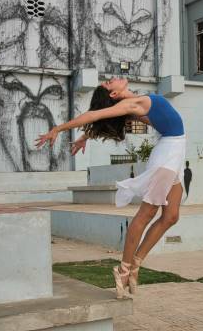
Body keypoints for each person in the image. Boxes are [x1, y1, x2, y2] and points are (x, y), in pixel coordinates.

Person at [35, 76, 186, 299]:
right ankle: (124, 269)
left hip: (174, 152)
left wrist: (86, 136)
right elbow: (94, 115)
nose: (110, 79)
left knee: (171, 215)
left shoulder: (132, 105)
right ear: (114, 94)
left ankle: (135, 265)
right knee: (147, 213)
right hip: (168, 155)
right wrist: (58, 128)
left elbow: (102, 118)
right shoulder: (135, 103)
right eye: (107, 84)